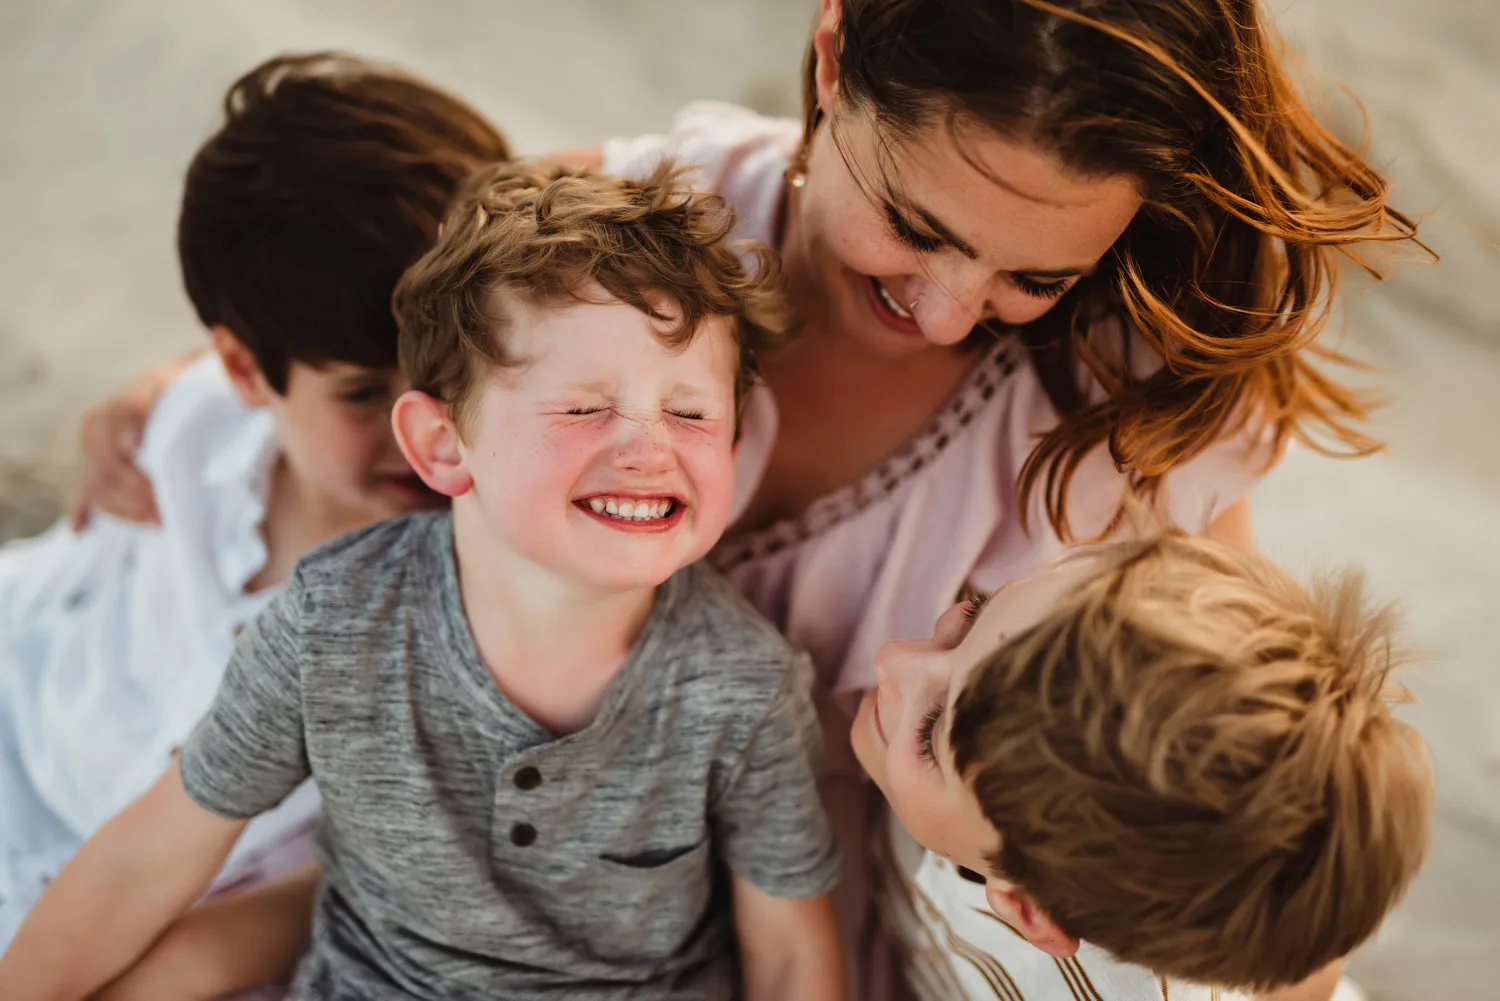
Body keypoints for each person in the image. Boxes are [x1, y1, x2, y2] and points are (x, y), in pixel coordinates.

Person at [64, 1, 1426, 997]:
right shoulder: (655, 209)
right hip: (502, 868)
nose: (952, 312)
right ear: (833, 60)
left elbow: (1236, 760)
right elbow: (437, 321)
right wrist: (194, 378)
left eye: (1035, 277)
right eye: (918, 224)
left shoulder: (1124, 414)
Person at [0, 160, 845, 1001]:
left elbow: (790, 956)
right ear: (443, 445)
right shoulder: (334, 619)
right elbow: (149, 855)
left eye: (692, 412)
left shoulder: (744, 688)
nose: (649, 448)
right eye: (585, 406)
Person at [0, 50, 510, 959]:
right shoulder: (194, 424)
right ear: (243, 369)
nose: (418, 429)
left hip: (163, 904)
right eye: (361, 394)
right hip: (31, 702)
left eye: (447, 377)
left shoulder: (480, 591)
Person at [852, 530, 1431, 1000]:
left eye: (931, 733)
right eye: (973, 615)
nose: (892, 658)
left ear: (1029, 910)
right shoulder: (1023, 830)